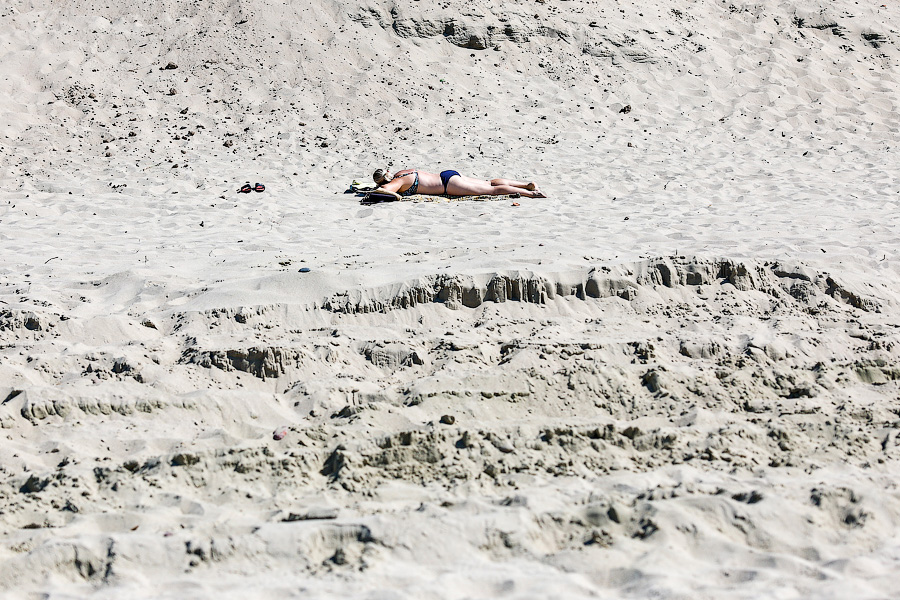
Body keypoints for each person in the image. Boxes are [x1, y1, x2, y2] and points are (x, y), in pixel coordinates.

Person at [372, 168, 546, 198]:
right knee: (488, 183)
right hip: (447, 174)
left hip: (448, 185)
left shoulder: (398, 180)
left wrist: (380, 189)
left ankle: (531, 193)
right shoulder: (401, 172)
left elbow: (386, 190)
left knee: (491, 191)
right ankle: (526, 185)